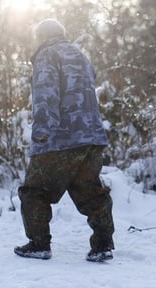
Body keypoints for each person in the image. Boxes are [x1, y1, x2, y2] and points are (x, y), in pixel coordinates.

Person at [14, 18, 115, 262]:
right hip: (90, 135)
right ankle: (103, 245)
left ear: (42, 37)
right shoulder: (80, 56)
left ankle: (39, 244)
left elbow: (45, 95)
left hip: (60, 137)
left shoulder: (47, 55)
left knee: (34, 191)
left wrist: (42, 131)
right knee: (90, 191)